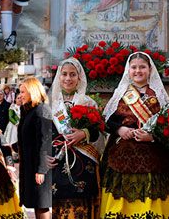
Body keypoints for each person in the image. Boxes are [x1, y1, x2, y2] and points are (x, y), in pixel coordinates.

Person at [100, 52, 169, 218]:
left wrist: (152, 137)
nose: (138, 71)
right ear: (128, 70)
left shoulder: (159, 95)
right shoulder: (121, 94)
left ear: (149, 70)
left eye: (142, 67)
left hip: (154, 154)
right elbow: (107, 121)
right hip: (122, 154)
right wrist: (120, 129)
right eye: (134, 67)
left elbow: (168, 125)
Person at [49, 57, 104, 219]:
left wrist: (84, 133)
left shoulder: (89, 103)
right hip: (57, 161)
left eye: (73, 74)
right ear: (59, 77)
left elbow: (98, 133)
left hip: (83, 163)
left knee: (82, 206)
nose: (68, 78)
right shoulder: (49, 104)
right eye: (64, 74)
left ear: (79, 78)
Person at [18, 77, 52, 219]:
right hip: (30, 164)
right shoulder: (29, 110)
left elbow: (45, 141)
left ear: (32, 92)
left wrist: (41, 170)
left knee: (41, 204)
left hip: (39, 166)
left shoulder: (41, 110)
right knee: (36, 204)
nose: (20, 95)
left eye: (22, 92)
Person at [4, 92, 22, 161]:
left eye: (20, 98)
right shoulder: (13, 107)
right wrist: (16, 123)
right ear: (15, 99)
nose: (19, 100)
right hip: (14, 126)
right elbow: (10, 117)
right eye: (18, 98)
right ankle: (12, 154)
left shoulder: (24, 107)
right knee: (12, 140)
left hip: (22, 126)